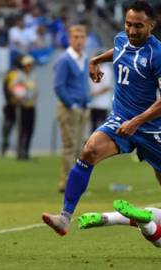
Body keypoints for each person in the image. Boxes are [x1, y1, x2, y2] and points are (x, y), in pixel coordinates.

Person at [42, 1, 161, 236]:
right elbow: (119, 51)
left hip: (153, 129)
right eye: (128, 24)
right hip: (121, 119)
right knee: (88, 151)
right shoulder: (121, 40)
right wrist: (95, 60)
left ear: (151, 26)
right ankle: (64, 218)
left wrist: (136, 122)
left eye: (138, 26)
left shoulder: (160, 56)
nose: (131, 31)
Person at [53, 25, 90, 192]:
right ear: (69, 39)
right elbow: (59, 86)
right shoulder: (64, 59)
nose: (79, 40)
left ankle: (73, 181)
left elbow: (83, 84)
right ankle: (67, 182)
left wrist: (85, 101)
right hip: (70, 108)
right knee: (70, 146)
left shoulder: (85, 58)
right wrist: (71, 104)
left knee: (78, 147)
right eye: (75, 37)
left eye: (82, 37)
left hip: (82, 107)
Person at [10, 55, 38, 160]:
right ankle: (20, 152)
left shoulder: (33, 76)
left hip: (31, 105)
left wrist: (34, 99)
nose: (29, 66)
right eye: (27, 65)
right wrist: (18, 97)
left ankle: (26, 152)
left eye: (30, 64)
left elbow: (35, 90)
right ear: (24, 66)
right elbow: (12, 87)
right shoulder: (20, 75)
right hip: (22, 106)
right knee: (22, 130)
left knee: (30, 129)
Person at [89, 54, 113, 134]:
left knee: (102, 127)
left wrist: (94, 93)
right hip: (93, 104)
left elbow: (107, 87)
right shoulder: (93, 69)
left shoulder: (106, 70)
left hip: (103, 104)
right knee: (93, 126)